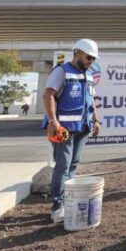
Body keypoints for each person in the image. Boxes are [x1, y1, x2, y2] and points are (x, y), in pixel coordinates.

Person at [42, 38, 101, 223]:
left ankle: (69, 200)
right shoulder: (61, 71)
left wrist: (96, 120)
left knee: (73, 165)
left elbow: (90, 100)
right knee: (63, 166)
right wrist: (53, 121)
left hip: (83, 128)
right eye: (88, 57)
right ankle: (57, 206)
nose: (91, 61)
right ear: (78, 53)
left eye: (93, 59)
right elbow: (48, 95)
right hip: (63, 129)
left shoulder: (89, 75)